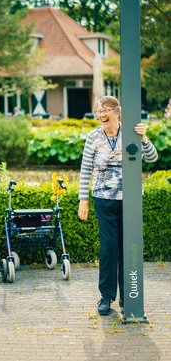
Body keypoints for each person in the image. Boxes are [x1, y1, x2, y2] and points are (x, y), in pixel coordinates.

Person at [78, 96, 158, 316]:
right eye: (98, 111)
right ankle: (106, 296)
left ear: (117, 111)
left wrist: (144, 139)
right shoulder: (93, 137)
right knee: (109, 247)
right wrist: (82, 199)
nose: (101, 114)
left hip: (130, 200)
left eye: (105, 110)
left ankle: (128, 296)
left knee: (128, 247)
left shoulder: (131, 133)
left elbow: (152, 157)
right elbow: (85, 170)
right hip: (104, 200)